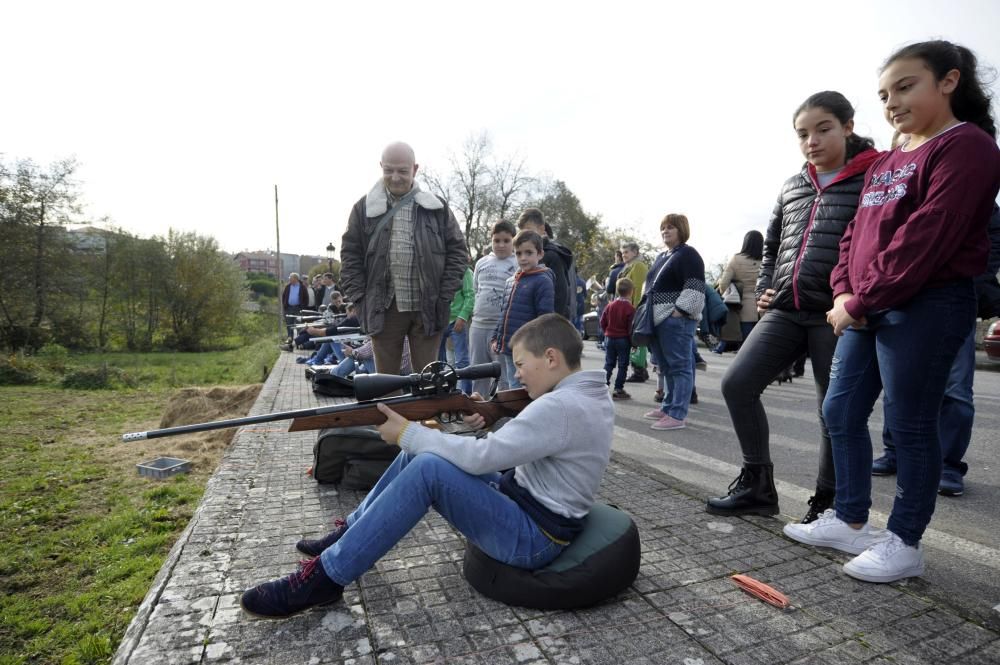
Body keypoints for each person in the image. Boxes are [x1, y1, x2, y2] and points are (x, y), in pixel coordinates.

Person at [783, 41, 1000, 583]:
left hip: (925, 304)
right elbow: (856, 232)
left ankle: (904, 541)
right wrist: (842, 293)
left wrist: (862, 298)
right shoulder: (891, 156)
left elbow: (928, 234)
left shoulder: (967, 146)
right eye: (884, 94)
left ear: (948, 82)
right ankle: (850, 518)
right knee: (839, 412)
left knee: (910, 424)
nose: (893, 103)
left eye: (906, 87)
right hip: (864, 305)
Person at [239, 314, 614, 619]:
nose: (517, 375)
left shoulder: (561, 407)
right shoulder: (584, 396)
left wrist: (407, 432)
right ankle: (350, 532)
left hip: (534, 538)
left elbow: (483, 457)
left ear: (550, 358)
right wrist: (488, 421)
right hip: (525, 504)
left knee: (428, 466)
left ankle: (324, 579)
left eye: (520, 365)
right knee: (423, 455)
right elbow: (532, 443)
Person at [705, 91, 881, 523]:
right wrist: (766, 287)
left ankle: (827, 501)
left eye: (823, 130)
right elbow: (771, 246)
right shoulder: (793, 185)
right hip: (785, 308)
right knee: (736, 383)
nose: (812, 142)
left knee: (831, 410)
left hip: (835, 314)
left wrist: (858, 296)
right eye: (803, 134)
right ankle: (757, 486)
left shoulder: (874, 177)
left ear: (847, 126)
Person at [339, 141, 469, 376]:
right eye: (389, 170)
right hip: (383, 308)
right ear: (381, 167)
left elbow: (458, 252)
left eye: (402, 170)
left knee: (428, 381)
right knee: (385, 383)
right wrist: (360, 298)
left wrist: (444, 294)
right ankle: (391, 415)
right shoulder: (363, 209)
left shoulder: (437, 208)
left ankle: (425, 415)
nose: (395, 177)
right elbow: (350, 256)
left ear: (415, 169)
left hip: (428, 307)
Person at [641, 214, 705, 431]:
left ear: (681, 230)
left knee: (680, 367)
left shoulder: (688, 254)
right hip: (658, 319)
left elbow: (695, 287)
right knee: (666, 367)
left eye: (671, 228)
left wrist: (679, 311)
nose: (665, 231)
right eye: (663, 228)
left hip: (674, 319)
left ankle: (677, 414)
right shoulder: (662, 256)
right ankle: (668, 407)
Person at [491, 230, 555, 388]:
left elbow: (545, 318)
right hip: (508, 346)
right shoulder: (510, 281)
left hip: (527, 348)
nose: (523, 258)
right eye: (518, 253)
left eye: (528, 252)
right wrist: (496, 338)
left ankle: (523, 413)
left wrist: (539, 347)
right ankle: (516, 413)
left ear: (540, 254)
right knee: (510, 385)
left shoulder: (543, 281)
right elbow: (504, 313)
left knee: (522, 387)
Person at [469, 221, 518, 396]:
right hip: (478, 326)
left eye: (506, 240)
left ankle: (503, 414)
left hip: (501, 329)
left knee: (504, 375)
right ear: (491, 241)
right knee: (478, 372)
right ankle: (478, 409)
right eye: (497, 240)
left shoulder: (518, 263)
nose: (501, 245)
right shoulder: (481, 263)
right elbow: (476, 290)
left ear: (514, 241)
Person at [516, 209, 575, 321]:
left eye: (529, 230)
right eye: (521, 231)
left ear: (542, 229)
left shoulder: (552, 256)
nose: (525, 235)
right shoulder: (523, 256)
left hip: (549, 324)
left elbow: (560, 294)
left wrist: (552, 324)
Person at [713, 231, 764, 353]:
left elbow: (724, 282)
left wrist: (725, 293)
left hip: (740, 301)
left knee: (737, 325)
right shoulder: (766, 261)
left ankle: (730, 348)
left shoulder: (736, 259)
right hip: (761, 302)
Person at [439, 266, 474, 393]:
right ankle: (440, 392)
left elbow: (470, 295)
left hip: (456, 321)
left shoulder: (464, 271)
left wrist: (463, 316)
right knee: (437, 361)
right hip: (439, 321)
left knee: (462, 360)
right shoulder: (437, 268)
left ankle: (466, 393)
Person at [617, 243, 649, 382]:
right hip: (626, 308)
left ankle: (639, 371)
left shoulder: (639, 266)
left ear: (635, 252)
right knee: (633, 342)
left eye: (627, 252)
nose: (624, 255)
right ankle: (641, 369)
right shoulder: (629, 266)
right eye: (623, 252)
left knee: (635, 342)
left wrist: (634, 311)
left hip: (634, 310)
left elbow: (638, 290)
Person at [600, 277, 636, 399]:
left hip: (609, 338)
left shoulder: (610, 306)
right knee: (622, 365)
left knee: (609, 363)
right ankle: (618, 389)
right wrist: (634, 343)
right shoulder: (630, 309)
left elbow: (602, 321)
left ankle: (602, 387)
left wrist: (607, 331)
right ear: (631, 292)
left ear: (617, 290)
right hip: (623, 339)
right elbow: (631, 328)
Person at [280, 272, 309, 342]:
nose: (289, 280)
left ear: (296, 279)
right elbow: (284, 297)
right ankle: (290, 338)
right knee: (289, 324)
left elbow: (306, 298)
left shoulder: (302, 287)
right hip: (289, 308)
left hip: (298, 308)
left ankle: (300, 339)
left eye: (291, 278)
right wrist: (285, 306)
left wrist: (303, 307)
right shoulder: (288, 287)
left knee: (299, 324)